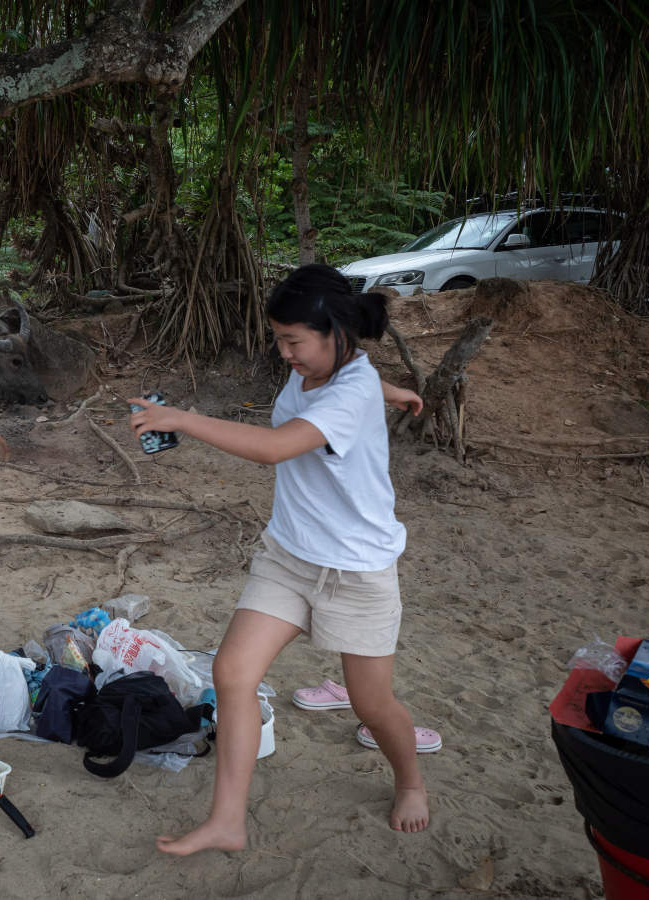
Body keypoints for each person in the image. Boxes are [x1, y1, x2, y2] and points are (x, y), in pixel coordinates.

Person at [129, 264, 429, 855]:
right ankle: (227, 821)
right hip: (288, 557)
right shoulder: (342, 371)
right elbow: (366, 380)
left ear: (335, 333)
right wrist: (395, 392)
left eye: (293, 341)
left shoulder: (346, 391)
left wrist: (182, 419)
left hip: (356, 572)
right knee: (233, 674)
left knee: (371, 704)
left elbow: (272, 449)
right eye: (278, 339)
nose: (283, 352)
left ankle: (411, 780)